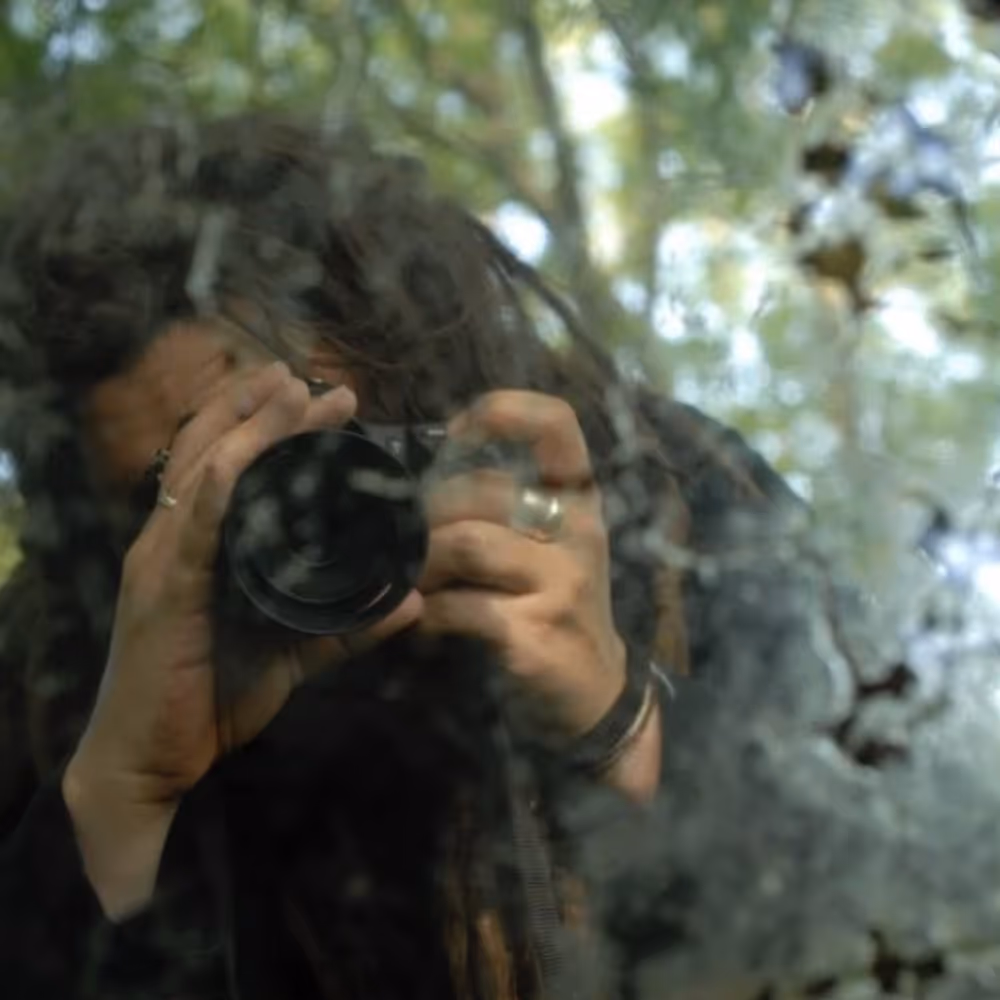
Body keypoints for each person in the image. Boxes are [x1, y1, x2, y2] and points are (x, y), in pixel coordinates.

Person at [0, 115, 804, 1000]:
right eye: (170, 499)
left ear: (411, 381)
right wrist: (120, 800)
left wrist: (625, 728)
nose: (254, 524)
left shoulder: (661, 496)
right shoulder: (69, 676)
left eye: (292, 451)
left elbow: (911, 907)